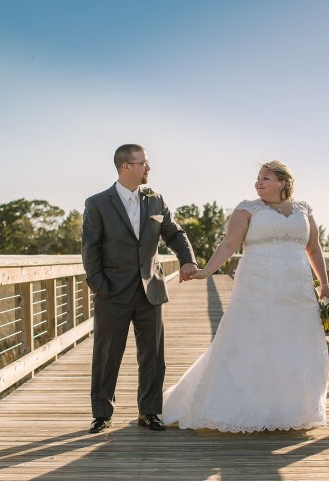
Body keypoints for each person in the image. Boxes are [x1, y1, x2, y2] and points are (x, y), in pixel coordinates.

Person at [163, 160, 329, 432]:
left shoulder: (304, 210)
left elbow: (313, 247)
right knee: (250, 339)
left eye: (266, 178)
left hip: (296, 288)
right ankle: (241, 407)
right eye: (258, 178)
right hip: (256, 286)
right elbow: (230, 243)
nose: (259, 183)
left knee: (295, 342)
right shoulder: (246, 209)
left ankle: (288, 409)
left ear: (283, 182)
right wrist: (207, 270)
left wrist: (324, 283)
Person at [82, 144, 198, 434]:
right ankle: (101, 414)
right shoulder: (97, 203)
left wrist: (187, 260)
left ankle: (149, 412)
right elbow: (90, 248)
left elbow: (174, 233)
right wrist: (98, 284)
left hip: (151, 289)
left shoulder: (155, 199)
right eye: (143, 163)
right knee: (107, 355)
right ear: (126, 167)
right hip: (112, 291)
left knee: (153, 355)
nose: (148, 168)